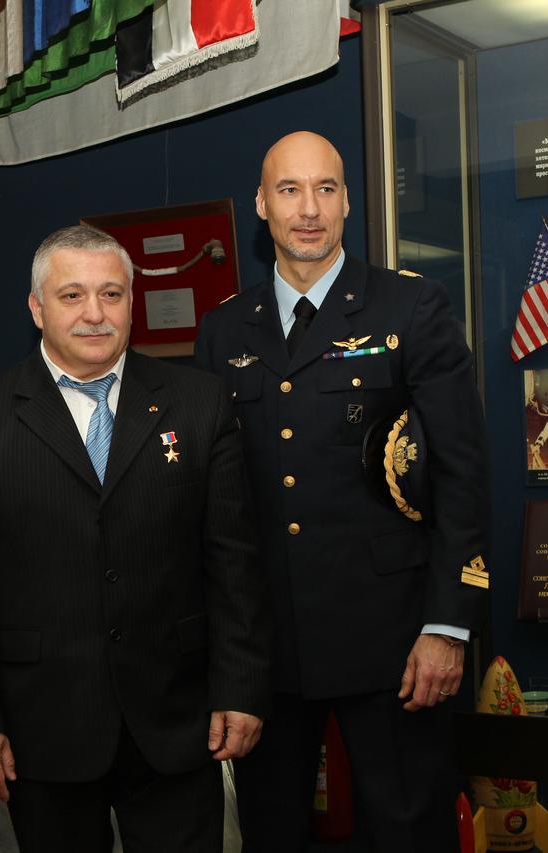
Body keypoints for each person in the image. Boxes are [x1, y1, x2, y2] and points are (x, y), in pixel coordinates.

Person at [0, 224, 272, 853]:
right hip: (41, 731)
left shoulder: (199, 404)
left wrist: (241, 687)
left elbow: (234, 564)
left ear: (132, 303)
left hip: (176, 721)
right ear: (36, 308)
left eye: (112, 295)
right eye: (72, 296)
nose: (95, 314)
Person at [194, 131, 490, 852]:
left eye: (325, 189)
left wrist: (447, 627)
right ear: (261, 204)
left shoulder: (410, 309)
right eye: (290, 190)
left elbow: (463, 475)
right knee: (272, 834)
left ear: (348, 202)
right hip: (270, 651)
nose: (309, 209)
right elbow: (216, 503)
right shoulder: (224, 329)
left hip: (393, 642)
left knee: (408, 831)